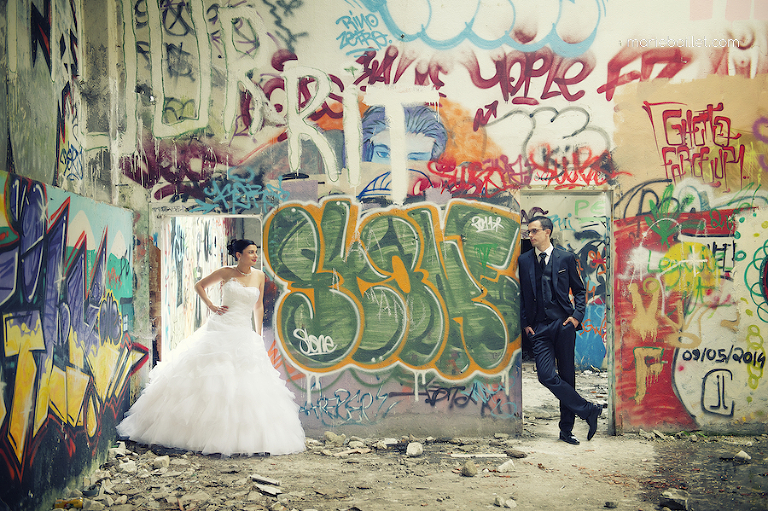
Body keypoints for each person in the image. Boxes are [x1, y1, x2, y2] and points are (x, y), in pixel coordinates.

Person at [117, 239, 305, 456]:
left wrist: (258, 335)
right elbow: (199, 285)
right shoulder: (226, 272)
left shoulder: (260, 276)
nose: (255, 256)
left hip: (243, 331)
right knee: (213, 377)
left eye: (256, 252)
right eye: (250, 252)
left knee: (246, 382)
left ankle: (241, 438)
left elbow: (258, 305)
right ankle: (199, 434)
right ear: (238, 255)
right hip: (220, 328)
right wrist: (211, 305)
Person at [519, 216, 602, 445]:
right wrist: (526, 324)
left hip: (564, 325)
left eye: (534, 231)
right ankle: (588, 410)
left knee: (567, 377)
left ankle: (566, 430)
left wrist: (576, 318)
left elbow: (579, 290)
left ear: (547, 232)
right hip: (539, 328)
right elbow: (523, 295)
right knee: (546, 376)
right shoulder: (524, 260)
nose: (530, 235)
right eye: (529, 232)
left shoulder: (565, 258)